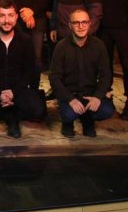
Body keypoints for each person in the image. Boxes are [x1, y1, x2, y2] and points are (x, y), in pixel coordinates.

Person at [0, 0, 47, 138]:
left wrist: (13, 92)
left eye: (10, 15)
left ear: (16, 17)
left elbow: (29, 71)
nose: (7, 20)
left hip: (17, 89)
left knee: (37, 109)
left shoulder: (25, 40)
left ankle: (12, 117)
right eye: (2, 15)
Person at [49, 9, 114, 138]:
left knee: (107, 110)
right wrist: (70, 99)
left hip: (91, 94)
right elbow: (54, 78)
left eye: (84, 22)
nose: (81, 26)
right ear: (70, 25)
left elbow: (106, 75)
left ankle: (87, 120)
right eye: (76, 23)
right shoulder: (61, 47)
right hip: (70, 95)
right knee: (69, 114)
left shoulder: (99, 45)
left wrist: (98, 97)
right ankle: (67, 123)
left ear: (90, 24)